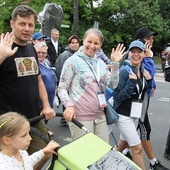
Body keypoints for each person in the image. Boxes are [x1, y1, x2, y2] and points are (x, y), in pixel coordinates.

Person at [0, 5, 56, 170]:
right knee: (11, 161)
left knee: (46, 152)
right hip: (10, 123)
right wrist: (2, 56)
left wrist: (46, 105)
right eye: (22, 24)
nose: (26, 29)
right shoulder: (3, 47)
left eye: (30, 25)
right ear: (12, 24)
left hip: (34, 117)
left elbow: (38, 79)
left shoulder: (31, 48)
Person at [58, 28, 125, 143]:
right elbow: (62, 88)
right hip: (80, 117)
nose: (92, 46)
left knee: (102, 153)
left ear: (100, 45)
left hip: (100, 116)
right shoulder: (73, 61)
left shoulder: (100, 63)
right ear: (83, 41)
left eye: (96, 43)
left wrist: (115, 64)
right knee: (85, 156)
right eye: (89, 41)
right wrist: (69, 106)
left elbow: (113, 85)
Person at [126, 27, 169, 170]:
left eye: (152, 38)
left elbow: (149, 79)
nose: (151, 40)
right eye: (148, 38)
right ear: (140, 40)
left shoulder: (143, 53)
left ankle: (123, 153)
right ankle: (153, 162)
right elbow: (146, 73)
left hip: (142, 98)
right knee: (144, 129)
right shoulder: (137, 55)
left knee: (130, 130)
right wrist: (149, 57)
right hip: (136, 100)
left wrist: (153, 85)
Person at [113, 40, 153, 169]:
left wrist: (150, 81)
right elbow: (117, 96)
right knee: (137, 148)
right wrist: (130, 84)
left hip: (135, 114)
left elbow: (147, 93)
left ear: (144, 53)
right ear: (128, 53)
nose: (136, 54)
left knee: (121, 147)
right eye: (133, 51)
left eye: (139, 52)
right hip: (123, 114)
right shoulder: (125, 70)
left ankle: (107, 164)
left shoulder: (142, 70)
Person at [55, 34, 80, 126]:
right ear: (69, 44)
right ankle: (65, 118)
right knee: (67, 99)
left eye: (77, 43)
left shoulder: (79, 55)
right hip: (66, 82)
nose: (75, 45)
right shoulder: (64, 55)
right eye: (73, 43)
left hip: (75, 84)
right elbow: (60, 70)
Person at [34, 42, 57, 136]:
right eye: (38, 52)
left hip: (50, 96)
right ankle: (42, 133)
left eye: (43, 52)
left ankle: (45, 129)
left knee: (47, 114)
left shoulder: (46, 62)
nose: (41, 54)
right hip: (40, 98)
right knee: (40, 116)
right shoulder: (34, 64)